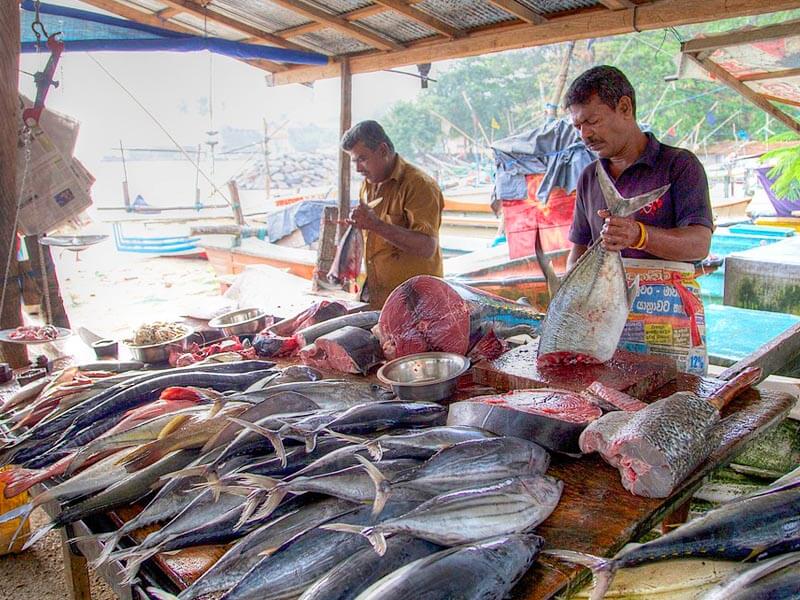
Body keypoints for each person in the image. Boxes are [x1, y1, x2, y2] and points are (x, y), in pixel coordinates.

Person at [564, 66, 714, 374]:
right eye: (578, 126)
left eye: (592, 121)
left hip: (669, 326)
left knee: (671, 402)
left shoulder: (679, 166)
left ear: (624, 108)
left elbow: (700, 244)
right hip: (605, 328)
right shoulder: (589, 177)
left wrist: (639, 235)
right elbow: (578, 252)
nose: (585, 134)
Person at [341, 120, 444, 309]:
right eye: (354, 161)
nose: (357, 168)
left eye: (362, 159)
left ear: (382, 150)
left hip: (416, 302)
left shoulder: (419, 185)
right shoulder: (368, 184)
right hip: (379, 297)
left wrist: (376, 225)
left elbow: (427, 246)